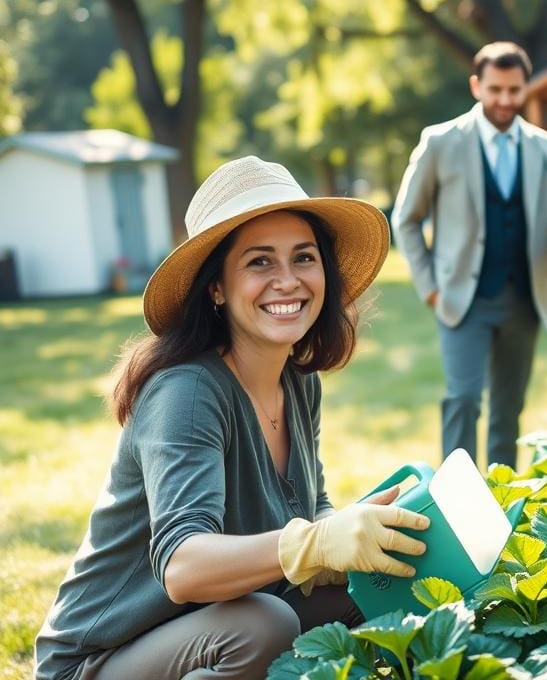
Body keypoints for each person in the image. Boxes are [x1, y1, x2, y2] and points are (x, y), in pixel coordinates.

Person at [34, 156, 431, 680]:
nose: (287, 281)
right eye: (260, 262)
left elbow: (309, 512)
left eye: (303, 258)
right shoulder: (187, 393)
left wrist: (351, 537)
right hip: (102, 658)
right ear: (216, 287)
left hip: (205, 624)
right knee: (261, 626)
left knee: (370, 596)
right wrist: (314, 542)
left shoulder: (298, 381)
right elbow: (184, 567)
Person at [392, 41, 547, 470]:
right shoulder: (440, 143)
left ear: (526, 87)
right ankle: (455, 510)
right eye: (495, 89)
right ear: (476, 85)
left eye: (514, 90)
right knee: (464, 399)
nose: (505, 100)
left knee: (509, 410)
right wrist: (430, 287)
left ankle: (503, 506)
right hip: (461, 299)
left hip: (525, 299)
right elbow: (406, 219)